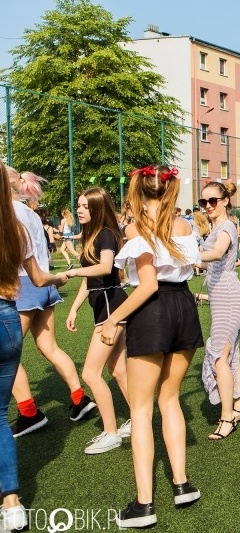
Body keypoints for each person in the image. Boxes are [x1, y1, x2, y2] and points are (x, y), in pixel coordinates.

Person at [107, 165, 203, 528]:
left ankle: (144, 504)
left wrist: (114, 319)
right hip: (184, 308)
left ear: (137, 190)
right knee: (170, 398)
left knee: (141, 408)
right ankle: (182, 484)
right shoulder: (184, 226)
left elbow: (147, 285)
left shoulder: (136, 229)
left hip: (152, 311)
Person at [0, 162, 66, 532]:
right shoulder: (19, 226)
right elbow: (39, 277)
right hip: (8, 316)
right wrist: (63, 277)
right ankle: (12, 504)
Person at [8, 169, 95, 437]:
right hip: (43, 283)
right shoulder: (31, 213)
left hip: (23, 285)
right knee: (50, 347)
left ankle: (29, 414)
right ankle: (80, 399)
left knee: (6, 356)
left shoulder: (8, 212)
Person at [64, 188, 131, 454]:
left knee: (90, 373)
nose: (79, 210)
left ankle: (111, 432)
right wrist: (74, 308)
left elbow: (104, 267)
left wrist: (72, 272)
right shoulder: (93, 234)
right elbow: (91, 279)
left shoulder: (105, 233)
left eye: (85, 206)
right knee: (118, 370)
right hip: (106, 304)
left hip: (111, 306)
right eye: (78, 205)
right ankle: (139, 419)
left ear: (97, 208)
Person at [197, 181, 240, 440]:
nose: (208, 206)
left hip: (229, 295)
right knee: (231, 354)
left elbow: (218, 253)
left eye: (213, 201)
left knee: (219, 357)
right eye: (203, 202)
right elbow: (209, 264)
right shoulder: (216, 227)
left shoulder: (226, 226)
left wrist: (186, 255)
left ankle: (227, 417)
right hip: (222, 295)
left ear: (225, 201)